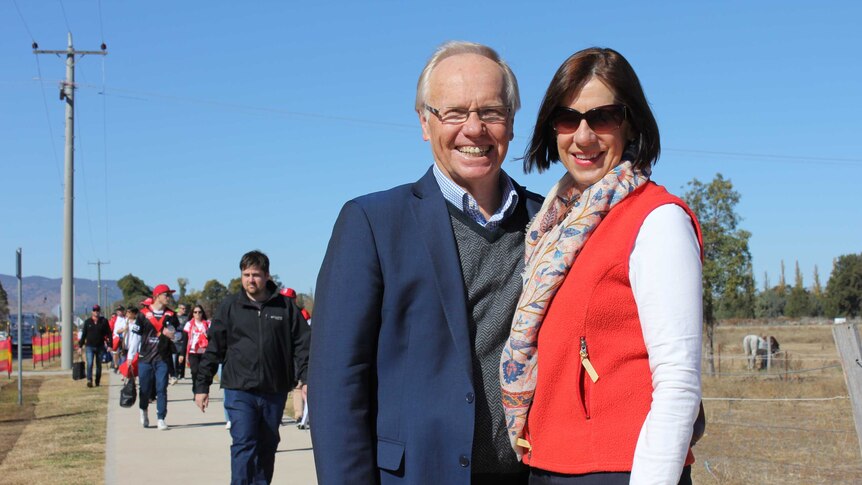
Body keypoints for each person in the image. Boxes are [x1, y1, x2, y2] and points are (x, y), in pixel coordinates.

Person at [310, 41, 542, 485]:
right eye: (454, 112)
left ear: (511, 124)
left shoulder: (550, 223)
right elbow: (337, 386)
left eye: (491, 112)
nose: (473, 128)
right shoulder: (372, 223)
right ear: (424, 122)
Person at [500, 47, 703, 485]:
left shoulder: (656, 220)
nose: (584, 136)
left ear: (630, 124)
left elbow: (678, 383)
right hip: (548, 463)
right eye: (568, 118)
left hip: (619, 469)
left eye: (604, 117)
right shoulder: (553, 228)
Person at [194, 250, 310, 485]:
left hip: (274, 390)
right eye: (246, 274)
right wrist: (202, 385)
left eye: (255, 275)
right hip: (240, 389)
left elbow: (304, 345)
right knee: (244, 442)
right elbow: (214, 347)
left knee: (267, 446)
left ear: (267, 275)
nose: (250, 280)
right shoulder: (230, 307)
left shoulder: (285, 308)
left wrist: (306, 379)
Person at [130, 284, 180, 430]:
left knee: (161, 388)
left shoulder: (171, 315)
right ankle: (143, 410)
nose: (168, 297)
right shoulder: (142, 314)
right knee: (145, 389)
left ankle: (161, 418)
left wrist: (173, 335)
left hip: (162, 358)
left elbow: (177, 335)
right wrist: (130, 356)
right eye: (166, 295)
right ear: (157, 296)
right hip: (145, 357)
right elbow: (136, 337)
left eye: (169, 295)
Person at [78, 304, 111, 388]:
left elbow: (109, 333)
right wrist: (80, 346)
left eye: (97, 310)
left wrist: (110, 345)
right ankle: (89, 380)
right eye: (94, 310)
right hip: (89, 346)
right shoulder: (88, 322)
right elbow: (84, 335)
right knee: (89, 364)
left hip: (100, 346)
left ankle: (97, 381)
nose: (96, 312)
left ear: (99, 311)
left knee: (98, 365)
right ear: (92, 312)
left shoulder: (104, 321)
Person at [183, 305, 210, 394]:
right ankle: (195, 389)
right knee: (195, 371)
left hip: (204, 351)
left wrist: (208, 336)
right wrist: (181, 354)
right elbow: (185, 340)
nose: (197, 314)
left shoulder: (207, 324)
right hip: (193, 351)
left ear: (202, 313)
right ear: (192, 314)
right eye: (195, 312)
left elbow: (213, 337)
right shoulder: (189, 324)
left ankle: (202, 391)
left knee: (203, 372)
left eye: (199, 312)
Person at [172, 303, 189, 382]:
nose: (184, 310)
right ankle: (175, 374)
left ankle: (182, 374)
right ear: (179, 308)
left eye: (185, 309)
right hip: (175, 339)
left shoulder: (187, 318)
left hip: (184, 338)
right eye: (182, 308)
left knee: (182, 356)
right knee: (175, 357)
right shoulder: (174, 316)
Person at [110, 305, 127, 371]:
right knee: (115, 353)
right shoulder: (114, 319)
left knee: (122, 353)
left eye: (120, 310)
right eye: (118, 311)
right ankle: (116, 364)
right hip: (116, 337)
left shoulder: (125, 319)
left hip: (123, 338)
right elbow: (111, 328)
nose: (119, 312)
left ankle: (121, 366)